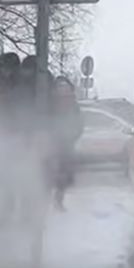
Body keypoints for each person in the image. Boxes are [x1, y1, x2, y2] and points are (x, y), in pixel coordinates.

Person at [49, 76, 84, 210]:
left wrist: (73, 136)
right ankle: (45, 200)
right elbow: (46, 120)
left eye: (65, 88)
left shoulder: (73, 105)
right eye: (60, 87)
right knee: (48, 172)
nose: (62, 91)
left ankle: (58, 199)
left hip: (67, 143)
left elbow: (79, 123)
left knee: (64, 174)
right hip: (52, 142)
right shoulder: (50, 103)